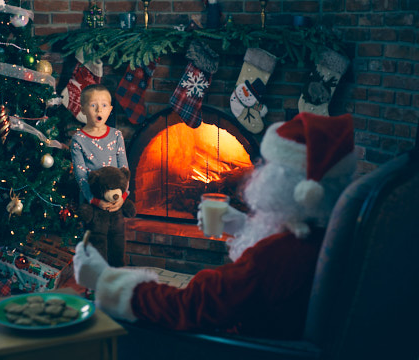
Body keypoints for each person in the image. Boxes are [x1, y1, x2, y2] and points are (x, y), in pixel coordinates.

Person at [73, 112, 356, 339]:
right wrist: (244, 226)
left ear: (298, 188)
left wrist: (105, 279)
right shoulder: (331, 232)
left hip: (236, 347)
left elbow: (189, 307)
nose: (260, 172)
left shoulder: (271, 258)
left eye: (271, 167)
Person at [70, 84, 129, 212]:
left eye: (104, 105)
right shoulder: (78, 139)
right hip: (92, 202)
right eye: (93, 105)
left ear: (110, 109)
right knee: (92, 231)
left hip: (115, 198)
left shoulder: (116, 135)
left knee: (116, 229)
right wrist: (94, 200)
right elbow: (80, 175)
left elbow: (124, 169)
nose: (99, 110)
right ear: (83, 110)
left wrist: (123, 197)